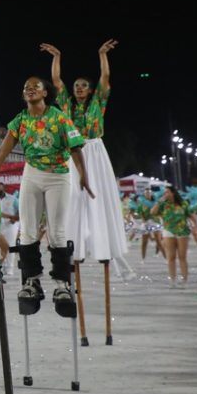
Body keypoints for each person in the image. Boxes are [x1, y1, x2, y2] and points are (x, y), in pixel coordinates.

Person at [0, 77, 93, 312]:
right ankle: (32, 281)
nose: (29, 88)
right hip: (32, 174)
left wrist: (83, 175)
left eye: (35, 86)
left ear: (45, 93)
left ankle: (61, 284)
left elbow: (76, 148)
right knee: (28, 230)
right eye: (26, 86)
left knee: (56, 231)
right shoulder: (20, 120)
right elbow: (4, 149)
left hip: (58, 176)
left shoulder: (58, 117)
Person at [41, 40, 136, 281]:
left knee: (99, 199)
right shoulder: (67, 106)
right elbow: (56, 81)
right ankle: (75, 250)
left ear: (91, 90)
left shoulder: (98, 103)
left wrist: (102, 55)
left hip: (94, 150)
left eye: (84, 85)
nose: (79, 88)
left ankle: (109, 253)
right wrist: (57, 57)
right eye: (77, 86)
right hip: (74, 151)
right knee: (72, 197)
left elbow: (105, 77)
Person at [151, 186, 197, 287]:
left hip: (182, 231)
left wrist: (196, 226)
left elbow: (190, 215)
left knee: (182, 256)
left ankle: (184, 280)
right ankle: (173, 280)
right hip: (168, 231)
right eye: (164, 192)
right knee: (171, 257)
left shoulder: (183, 203)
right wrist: (160, 201)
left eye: (167, 192)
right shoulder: (163, 204)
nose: (165, 194)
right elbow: (153, 212)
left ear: (173, 193)